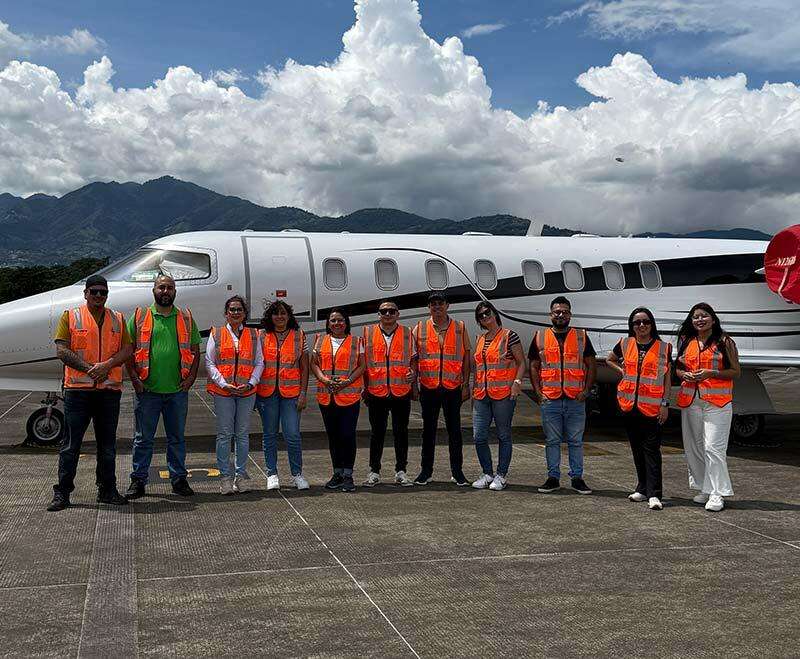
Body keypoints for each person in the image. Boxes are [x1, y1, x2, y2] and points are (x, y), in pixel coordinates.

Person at [47, 274, 133, 511]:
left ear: (107, 295)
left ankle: (107, 490)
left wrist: (107, 365)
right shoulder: (70, 316)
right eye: (93, 291)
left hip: (108, 392)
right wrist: (90, 369)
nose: (98, 295)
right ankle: (62, 493)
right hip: (78, 393)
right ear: (85, 293)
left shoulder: (118, 319)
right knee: (70, 445)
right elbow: (62, 350)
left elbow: (128, 349)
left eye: (102, 292)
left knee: (107, 446)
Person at [124, 274, 201, 499]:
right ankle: (138, 480)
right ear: (154, 290)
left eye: (169, 288)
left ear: (175, 291)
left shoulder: (186, 317)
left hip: (177, 391)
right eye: (161, 287)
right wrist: (135, 379)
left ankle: (178, 479)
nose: (165, 291)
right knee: (143, 439)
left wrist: (191, 378)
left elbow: (195, 351)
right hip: (148, 391)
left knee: (176, 439)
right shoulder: (140, 316)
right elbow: (128, 350)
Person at [675, 302, 740, 512]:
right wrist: (684, 374)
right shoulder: (687, 341)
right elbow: (678, 368)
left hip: (717, 403)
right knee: (694, 447)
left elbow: (735, 372)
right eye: (695, 317)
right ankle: (705, 487)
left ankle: (717, 493)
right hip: (691, 400)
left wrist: (712, 373)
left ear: (713, 319)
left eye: (704, 316)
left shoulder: (724, 341)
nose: (700, 320)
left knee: (713, 447)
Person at [529, 296, 596, 495]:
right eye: (557, 312)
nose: (560, 315)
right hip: (550, 399)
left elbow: (591, 365)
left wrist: (586, 391)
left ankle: (577, 478)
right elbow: (533, 366)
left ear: (570, 315)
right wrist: (538, 392)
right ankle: (553, 478)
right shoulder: (540, 337)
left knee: (575, 441)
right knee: (552, 441)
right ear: (550, 314)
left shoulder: (581, 336)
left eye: (564, 312)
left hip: (575, 399)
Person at [606, 307, 671, 510]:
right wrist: (622, 371)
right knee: (636, 449)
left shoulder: (664, 347)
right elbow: (609, 359)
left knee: (651, 451)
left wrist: (665, 404)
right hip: (629, 406)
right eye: (637, 322)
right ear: (632, 326)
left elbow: (667, 378)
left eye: (645, 322)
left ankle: (655, 494)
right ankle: (642, 488)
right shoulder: (625, 343)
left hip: (652, 407)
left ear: (652, 324)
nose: (641, 325)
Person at [206, 296, 264, 495]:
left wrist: (251, 383)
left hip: (247, 391)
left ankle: (240, 476)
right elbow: (210, 362)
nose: (236, 313)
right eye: (232, 309)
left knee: (242, 435)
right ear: (226, 313)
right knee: (224, 434)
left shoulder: (254, 334)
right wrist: (224, 384)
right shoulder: (217, 333)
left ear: (245, 313)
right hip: (224, 391)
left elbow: (259, 362)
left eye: (239, 309)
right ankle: (225, 477)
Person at [412, 291, 471, 486]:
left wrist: (465, 384)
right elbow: (414, 359)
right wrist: (414, 385)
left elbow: (466, 358)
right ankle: (425, 471)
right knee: (428, 432)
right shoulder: (420, 328)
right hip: (429, 387)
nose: (437, 307)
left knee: (455, 432)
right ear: (429, 308)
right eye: (433, 304)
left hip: (452, 387)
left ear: (447, 306)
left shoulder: (460, 328)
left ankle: (457, 472)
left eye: (440, 303)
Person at [470, 302, 526, 491]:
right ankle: (487, 473)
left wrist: (517, 383)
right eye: (481, 316)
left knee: (503, 435)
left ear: (495, 313)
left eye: (487, 313)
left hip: (503, 394)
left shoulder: (509, 336)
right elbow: (478, 368)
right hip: (481, 395)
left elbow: (521, 362)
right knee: (479, 436)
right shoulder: (480, 339)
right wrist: (474, 391)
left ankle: (501, 475)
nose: (485, 317)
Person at [256, 300, 310, 491]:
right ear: (270, 317)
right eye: (276, 313)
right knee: (269, 435)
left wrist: (303, 393)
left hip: (291, 394)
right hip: (267, 394)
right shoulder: (261, 336)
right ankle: (272, 474)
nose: (280, 317)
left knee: (292, 435)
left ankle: (297, 474)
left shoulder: (299, 335)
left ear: (289, 316)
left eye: (283, 313)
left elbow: (304, 368)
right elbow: (256, 365)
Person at [362, 301, 415, 488]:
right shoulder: (368, 333)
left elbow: (413, 359)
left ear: (398, 314)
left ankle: (401, 471)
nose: (388, 314)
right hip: (377, 392)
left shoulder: (407, 333)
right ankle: (374, 471)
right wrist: (365, 388)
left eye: (392, 311)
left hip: (401, 391)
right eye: (384, 311)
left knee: (401, 433)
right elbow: (363, 363)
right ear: (378, 315)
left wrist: (413, 373)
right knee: (377, 433)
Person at [311, 309, 365, 493]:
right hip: (327, 397)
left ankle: (348, 474)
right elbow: (314, 363)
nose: (337, 324)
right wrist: (324, 380)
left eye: (340, 320)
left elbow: (362, 365)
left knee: (348, 436)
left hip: (349, 396)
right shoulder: (320, 340)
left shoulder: (356, 341)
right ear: (328, 323)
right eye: (333, 321)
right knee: (333, 437)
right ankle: (337, 473)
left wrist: (347, 381)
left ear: (346, 322)